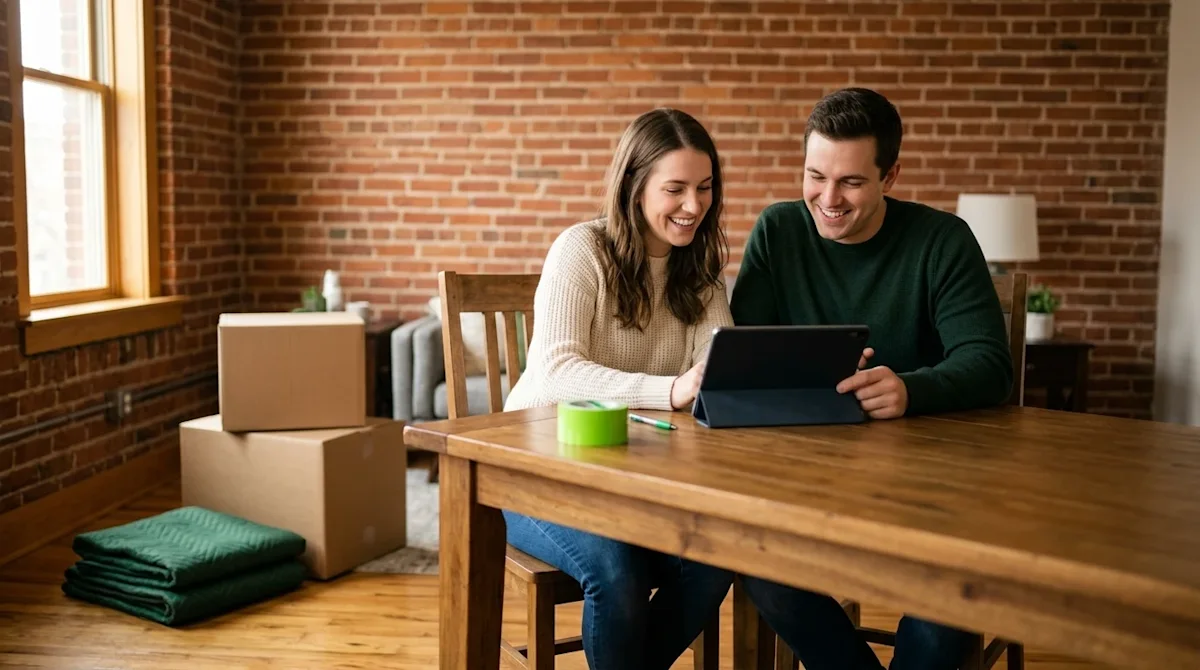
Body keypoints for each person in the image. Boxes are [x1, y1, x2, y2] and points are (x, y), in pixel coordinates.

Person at [729, 87, 1014, 670]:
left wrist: (912, 388)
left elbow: (989, 363)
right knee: (755, 561)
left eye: (851, 183)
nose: (827, 199)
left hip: (932, 484)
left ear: (891, 175)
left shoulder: (942, 239)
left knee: (944, 609)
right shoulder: (779, 231)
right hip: (809, 475)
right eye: (815, 176)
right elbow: (746, 361)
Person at [502, 107, 735, 670]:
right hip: (536, 468)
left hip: (637, 478)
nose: (694, 206)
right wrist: (672, 388)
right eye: (675, 189)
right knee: (617, 571)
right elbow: (554, 372)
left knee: (717, 558)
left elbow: (720, 373)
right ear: (633, 187)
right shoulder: (580, 251)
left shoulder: (701, 277)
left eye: (704, 188)